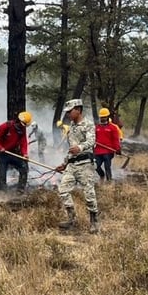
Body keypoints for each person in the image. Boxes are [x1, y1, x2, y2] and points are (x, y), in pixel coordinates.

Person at [55, 99, 99, 233]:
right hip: (72, 165)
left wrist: (80, 147)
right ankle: (71, 218)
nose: (68, 114)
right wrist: (64, 164)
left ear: (78, 110)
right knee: (63, 190)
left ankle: (94, 222)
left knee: (89, 194)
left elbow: (92, 141)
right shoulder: (71, 128)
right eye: (67, 112)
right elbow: (71, 149)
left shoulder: (88, 124)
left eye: (70, 111)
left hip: (85, 164)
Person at [0, 111, 31, 193]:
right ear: (18, 120)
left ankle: (20, 191)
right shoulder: (6, 126)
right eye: (23, 124)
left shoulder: (22, 129)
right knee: (2, 174)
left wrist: (24, 153)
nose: (23, 127)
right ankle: (3, 194)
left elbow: (23, 142)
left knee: (24, 168)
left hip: (14, 153)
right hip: (2, 154)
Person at [93, 107, 121, 182]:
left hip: (108, 151)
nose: (102, 118)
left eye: (104, 117)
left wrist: (117, 149)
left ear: (108, 117)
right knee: (95, 166)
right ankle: (102, 175)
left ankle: (109, 181)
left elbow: (116, 140)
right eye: (101, 117)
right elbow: (93, 138)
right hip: (98, 151)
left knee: (107, 166)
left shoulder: (113, 128)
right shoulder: (97, 127)